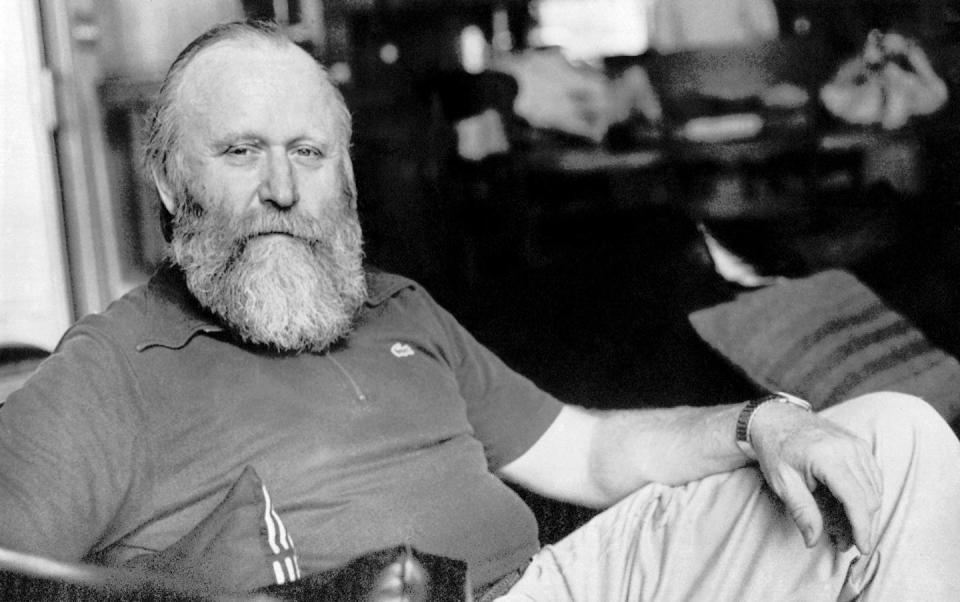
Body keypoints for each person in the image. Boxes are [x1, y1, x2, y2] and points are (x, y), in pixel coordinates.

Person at [1, 20, 959, 601]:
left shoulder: (399, 311)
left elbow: (585, 452)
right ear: (172, 185)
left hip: (565, 581)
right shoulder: (110, 373)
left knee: (896, 438)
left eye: (308, 152)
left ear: (346, 174)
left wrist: (763, 424)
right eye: (243, 152)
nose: (284, 190)